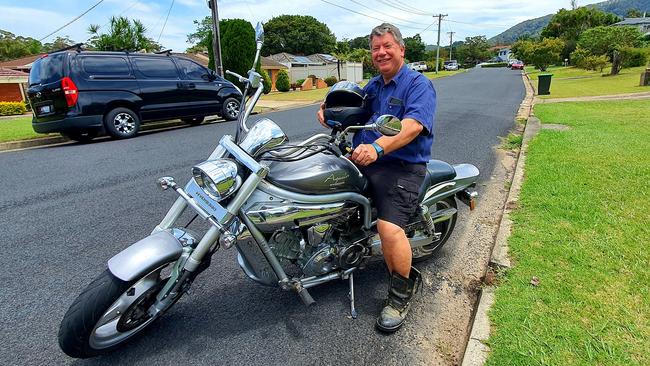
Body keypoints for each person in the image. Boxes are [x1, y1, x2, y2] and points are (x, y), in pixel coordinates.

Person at [317, 23, 436, 332]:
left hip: (402, 166)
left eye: (386, 46)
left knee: (388, 227)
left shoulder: (417, 84)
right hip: (366, 159)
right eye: (375, 48)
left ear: (401, 49)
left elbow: (411, 126)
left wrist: (377, 148)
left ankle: (400, 295)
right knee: (324, 187)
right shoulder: (374, 85)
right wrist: (329, 112)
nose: (381, 52)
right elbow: (353, 108)